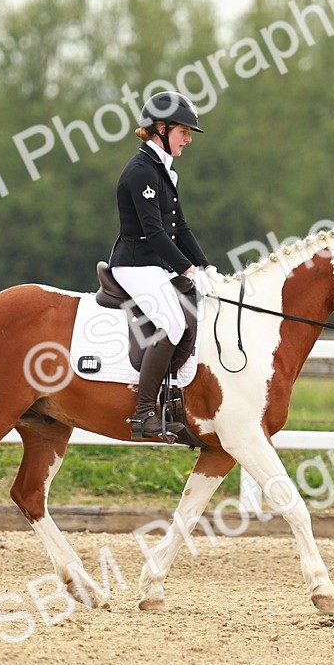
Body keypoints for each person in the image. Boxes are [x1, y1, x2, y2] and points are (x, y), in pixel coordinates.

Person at [109, 91, 213, 440]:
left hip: (156, 266)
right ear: (161, 129)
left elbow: (180, 228)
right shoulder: (140, 172)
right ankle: (142, 414)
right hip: (135, 264)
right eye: (184, 131)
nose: (188, 139)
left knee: (193, 312)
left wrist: (205, 266)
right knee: (171, 324)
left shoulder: (164, 171)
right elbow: (154, 233)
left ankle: (173, 398)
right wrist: (186, 269)